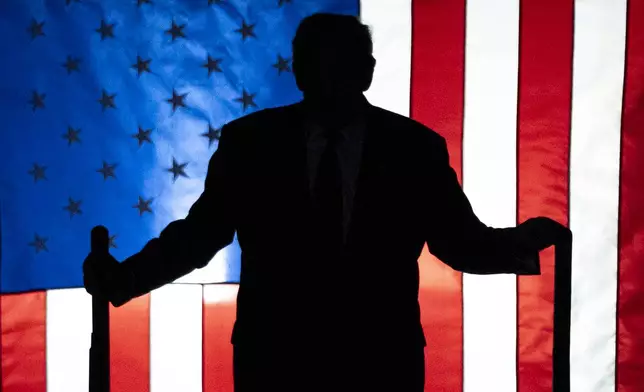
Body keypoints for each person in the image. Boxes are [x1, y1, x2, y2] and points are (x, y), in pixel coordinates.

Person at [83, 13, 570, 392]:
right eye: (319, 63)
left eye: (343, 64)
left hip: (379, 361)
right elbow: (200, 235)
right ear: (297, 71)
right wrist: (127, 278)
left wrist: (518, 245)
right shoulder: (250, 143)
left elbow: (457, 241)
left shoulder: (414, 148)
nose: (330, 77)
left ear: (369, 72)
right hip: (276, 360)